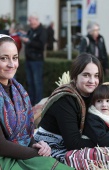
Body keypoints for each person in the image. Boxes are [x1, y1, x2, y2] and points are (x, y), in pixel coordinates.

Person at [0, 34, 73, 170]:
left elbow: (26, 133)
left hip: (22, 154)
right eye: (4, 58)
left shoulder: (18, 91)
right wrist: (36, 153)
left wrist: (38, 145)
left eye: (15, 58)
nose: (11, 64)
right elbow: (1, 145)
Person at [34, 53, 104, 162]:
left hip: (72, 145)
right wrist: (108, 143)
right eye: (86, 75)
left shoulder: (94, 97)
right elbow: (73, 143)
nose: (92, 81)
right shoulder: (66, 99)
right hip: (50, 147)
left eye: (96, 75)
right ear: (75, 76)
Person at [20, 13, 47, 106]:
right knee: (30, 82)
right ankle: (30, 103)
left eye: (31, 21)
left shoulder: (42, 31)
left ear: (36, 20)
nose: (30, 23)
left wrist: (29, 41)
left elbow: (41, 45)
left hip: (37, 61)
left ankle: (38, 103)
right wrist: (25, 36)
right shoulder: (31, 30)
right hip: (29, 60)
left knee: (37, 82)